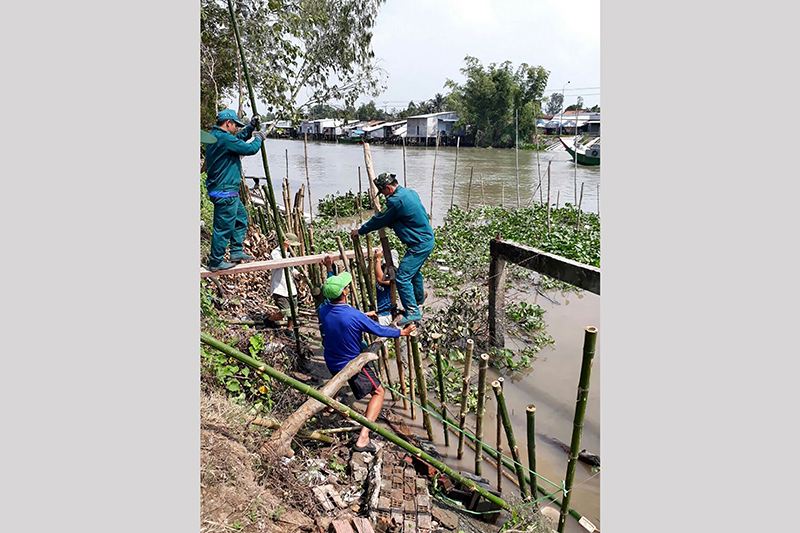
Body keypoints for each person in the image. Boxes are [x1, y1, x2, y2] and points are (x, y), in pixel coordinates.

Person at [318, 272, 416, 452]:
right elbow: (379, 330)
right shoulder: (354, 316)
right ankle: (363, 438)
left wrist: (363, 316)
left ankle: (333, 407)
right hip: (350, 365)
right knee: (379, 392)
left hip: (331, 359)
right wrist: (402, 332)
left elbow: (340, 317)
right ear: (345, 292)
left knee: (336, 383)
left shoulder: (323, 311)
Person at [351, 172, 434, 325]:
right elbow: (404, 217)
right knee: (413, 271)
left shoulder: (396, 202)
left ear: (388, 188)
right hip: (425, 240)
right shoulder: (410, 193)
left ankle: (413, 311)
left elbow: (379, 220)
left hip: (419, 244)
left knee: (402, 277)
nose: (382, 195)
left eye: (382, 192)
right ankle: (419, 298)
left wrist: (360, 231)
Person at [205, 109, 266, 271]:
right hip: (225, 190)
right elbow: (249, 149)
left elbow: (237, 140)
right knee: (223, 226)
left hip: (222, 189)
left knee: (240, 218)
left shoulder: (215, 137)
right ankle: (216, 261)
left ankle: (236, 251)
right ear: (228, 123)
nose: (236, 129)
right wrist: (258, 139)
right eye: (235, 125)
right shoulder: (224, 139)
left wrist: (250, 129)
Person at [267, 233, 302, 334]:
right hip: (280, 287)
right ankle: (269, 320)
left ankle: (289, 329)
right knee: (285, 312)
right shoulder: (275, 253)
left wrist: (298, 274)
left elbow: (291, 269)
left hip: (290, 287)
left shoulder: (288, 254)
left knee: (294, 311)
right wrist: (285, 250)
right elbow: (280, 264)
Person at [374, 249, 399, 326]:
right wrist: (375, 259)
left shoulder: (395, 277)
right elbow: (370, 272)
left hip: (385, 314)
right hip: (376, 312)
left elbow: (380, 279)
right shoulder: (381, 270)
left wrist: (378, 259)